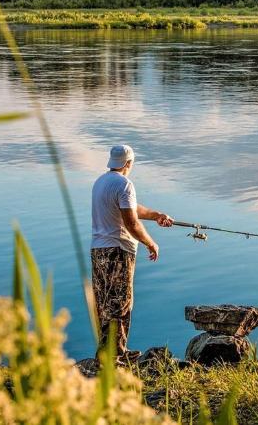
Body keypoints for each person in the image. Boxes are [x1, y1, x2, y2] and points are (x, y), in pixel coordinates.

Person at [91, 144, 173, 361]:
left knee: (104, 303)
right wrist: (151, 243)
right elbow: (131, 222)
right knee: (120, 302)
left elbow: (131, 208)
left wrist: (156, 215)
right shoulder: (125, 184)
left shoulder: (101, 182)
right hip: (118, 251)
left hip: (98, 250)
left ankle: (108, 352)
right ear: (129, 163)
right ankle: (114, 357)